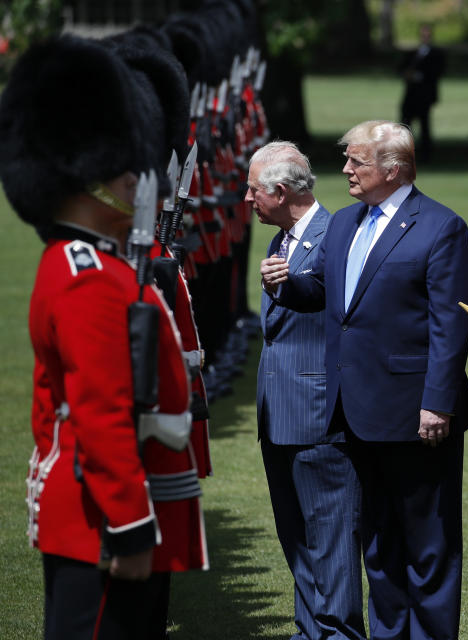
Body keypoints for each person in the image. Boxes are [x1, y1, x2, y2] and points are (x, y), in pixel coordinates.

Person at [1, 36, 207, 638]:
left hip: (117, 503)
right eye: (125, 165)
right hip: (100, 519)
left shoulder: (103, 265)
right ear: (85, 172)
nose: (136, 175)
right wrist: (129, 525)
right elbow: (101, 412)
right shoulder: (85, 276)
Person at [261, 120, 468, 640]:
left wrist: (438, 403)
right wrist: (288, 285)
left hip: (416, 415)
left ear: (392, 168)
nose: (344, 171)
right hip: (355, 414)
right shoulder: (345, 224)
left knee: (428, 547)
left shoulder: (440, 227)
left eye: (355, 162)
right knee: (379, 547)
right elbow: (328, 295)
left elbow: (450, 329)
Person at [250, 141, 364, 640]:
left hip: (319, 416)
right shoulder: (281, 239)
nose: (247, 199)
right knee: (295, 537)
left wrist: (290, 284)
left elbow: (331, 302)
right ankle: (310, 631)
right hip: (278, 415)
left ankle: (338, 633)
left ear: (279, 190)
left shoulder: (336, 233)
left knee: (331, 541)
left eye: (253, 190)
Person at [398, 23, 445, 162]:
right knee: (405, 125)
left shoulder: (436, 54)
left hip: (425, 96)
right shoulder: (413, 52)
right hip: (411, 95)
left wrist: (418, 76)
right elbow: (401, 68)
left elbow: (437, 72)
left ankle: (426, 155)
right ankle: (404, 153)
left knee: (425, 126)